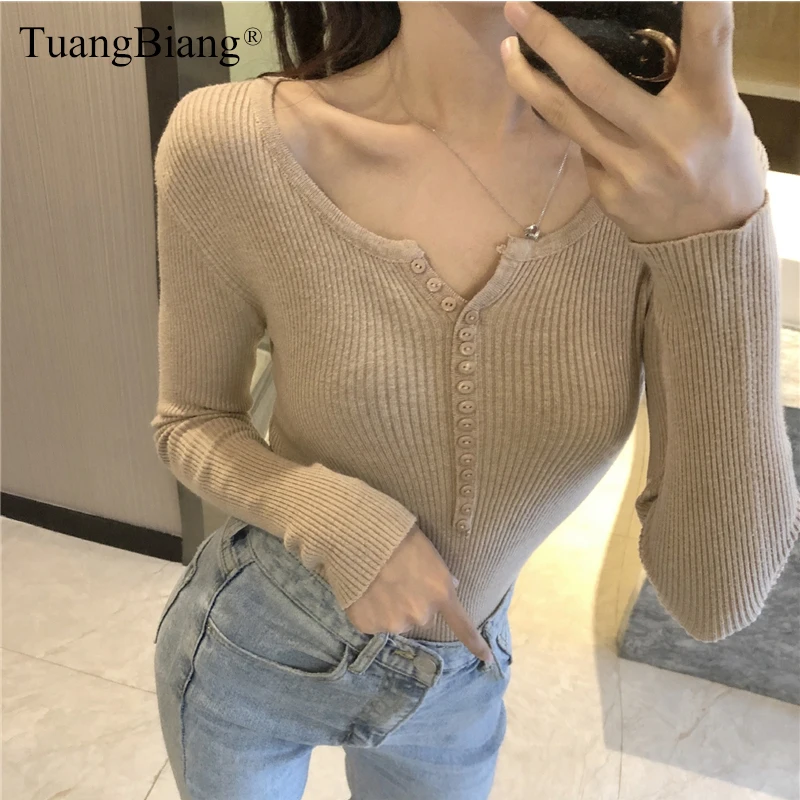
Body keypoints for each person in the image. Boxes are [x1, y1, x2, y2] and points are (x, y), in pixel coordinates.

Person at [150, 2, 799, 799]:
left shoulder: (666, 184)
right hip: (255, 648)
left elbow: (715, 600)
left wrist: (721, 236)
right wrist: (335, 517)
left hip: (457, 688)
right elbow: (191, 422)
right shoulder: (231, 145)